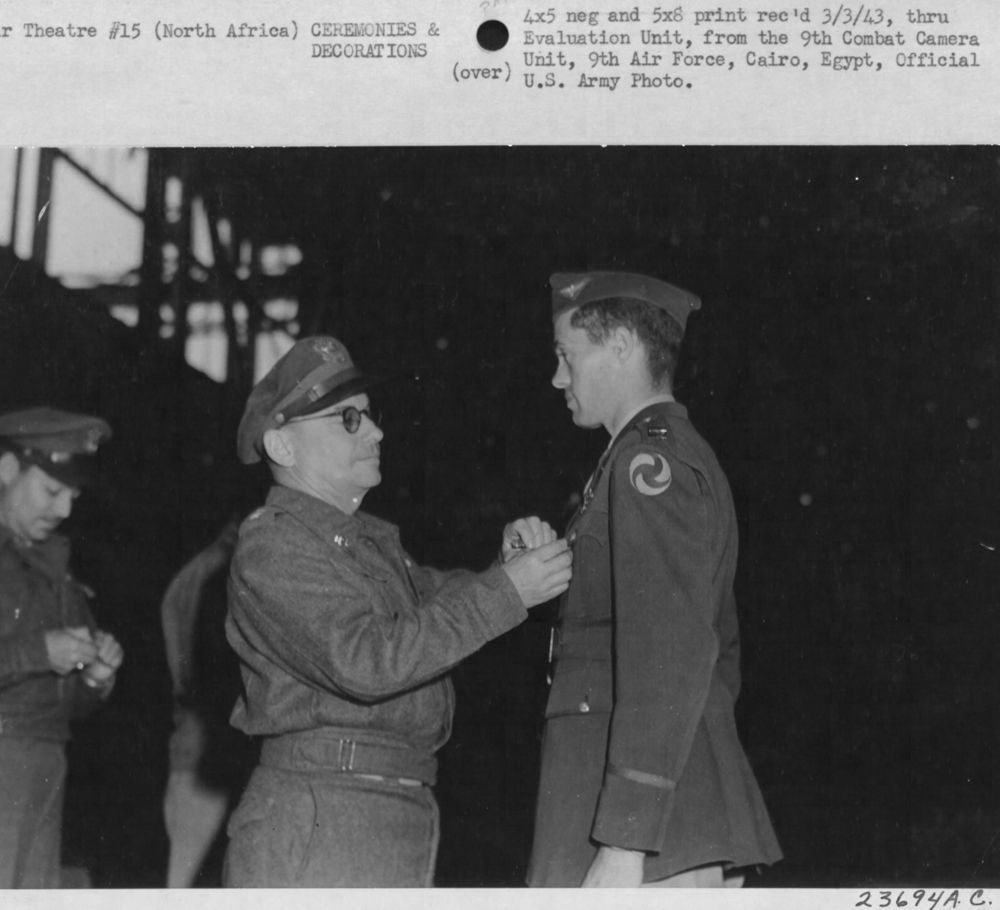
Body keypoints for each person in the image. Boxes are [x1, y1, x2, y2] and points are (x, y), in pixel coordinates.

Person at [223, 335, 572, 887]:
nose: (376, 432)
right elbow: (367, 659)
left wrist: (505, 569)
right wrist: (507, 591)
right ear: (282, 447)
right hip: (324, 818)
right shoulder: (275, 546)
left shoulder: (359, 542)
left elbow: (435, 600)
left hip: (379, 810)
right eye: (348, 419)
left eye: (370, 415)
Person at [526, 272, 782, 887]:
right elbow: (715, 652)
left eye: (567, 355)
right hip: (665, 820)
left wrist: (625, 837)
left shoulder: (649, 464)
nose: (558, 377)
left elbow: (670, 651)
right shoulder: (645, 458)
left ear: (620, 346)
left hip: (645, 838)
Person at [0, 407, 124, 888]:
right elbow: (36, 658)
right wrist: (40, 652)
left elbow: (63, 704)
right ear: (7, 469)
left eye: (72, 496)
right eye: (52, 491)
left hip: (46, 760)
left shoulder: (53, 565)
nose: (64, 511)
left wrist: (93, 678)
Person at [161, 517, 256, 887]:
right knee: (187, 872)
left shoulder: (195, 574)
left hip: (198, 738)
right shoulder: (220, 577)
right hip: (206, 742)